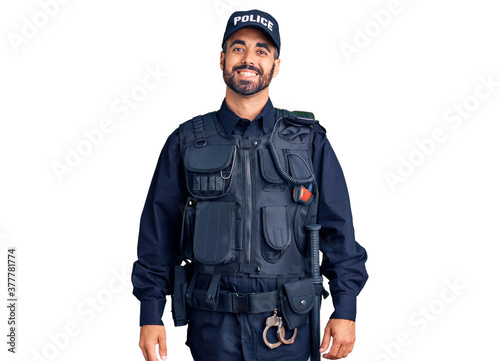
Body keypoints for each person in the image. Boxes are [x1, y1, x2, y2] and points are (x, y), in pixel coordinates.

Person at [131, 9, 368, 361]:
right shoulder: (186, 141)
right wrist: (150, 313)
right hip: (213, 328)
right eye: (239, 48)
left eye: (262, 51)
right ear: (223, 58)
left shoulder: (308, 141)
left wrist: (345, 307)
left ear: (275, 64)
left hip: (289, 327)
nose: (249, 59)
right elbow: (158, 233)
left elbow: (339, 231)